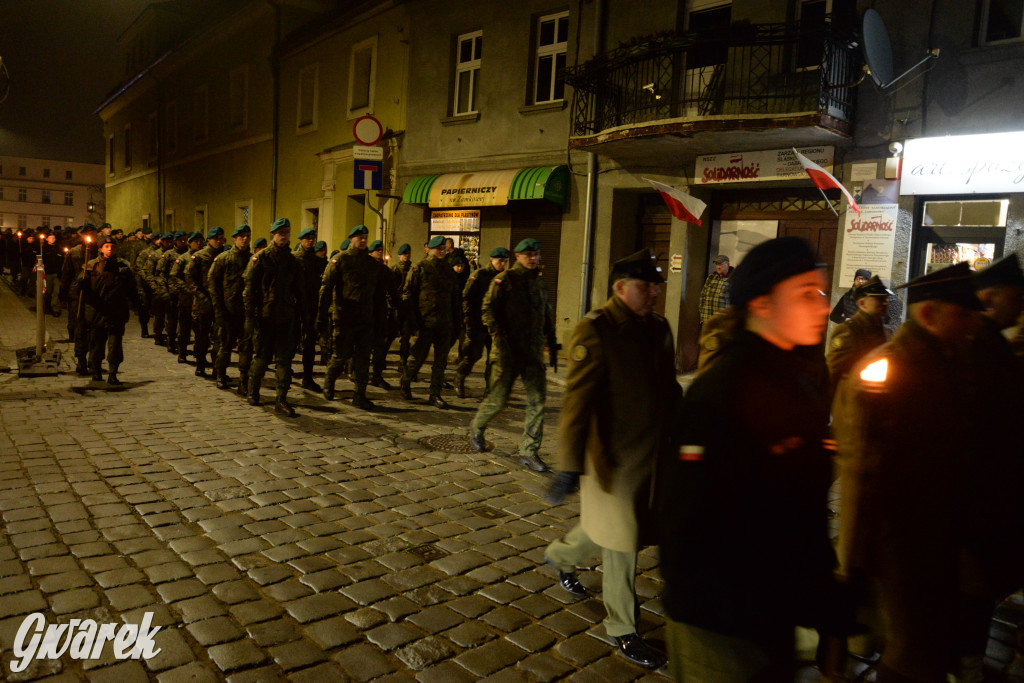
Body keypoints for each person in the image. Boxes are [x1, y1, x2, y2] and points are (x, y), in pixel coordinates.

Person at [659, 237, 847, 682]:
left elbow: (801, 511)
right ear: (762, 304)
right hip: (721, 633)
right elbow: (687, 529)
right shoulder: (722, 394)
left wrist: (827, 606)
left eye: (822, 293)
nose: (823, 307)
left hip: (772, 621)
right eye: (806, 295)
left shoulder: (793, 381)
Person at [832, 262, 991, 683]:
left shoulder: (951, 362)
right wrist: (849, 566)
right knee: (911, 653)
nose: (971, 325)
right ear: (928, 314)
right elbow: (861, 471)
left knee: (929, 644)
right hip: (900, 543)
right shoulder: (890, 367)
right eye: (961, 315)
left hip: (940, 534)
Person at [544, 249, 678, 669]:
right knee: (623, 544)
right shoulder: (595, 330)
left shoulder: (658, 327)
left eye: (657, 285)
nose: (654, 293)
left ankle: (561, 555)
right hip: (614, 461)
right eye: (645, 285)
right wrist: (569, 464)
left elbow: (669, 388)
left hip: (654, 454)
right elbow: (576, 403)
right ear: (620, 288)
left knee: (613, 528)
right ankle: (623, 628)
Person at [469, 238, 557, 472]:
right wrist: (498, 337)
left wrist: (551, 336)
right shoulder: (505, 280)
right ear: (517, 256)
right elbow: (487, 309)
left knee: (537, 402)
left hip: (533, 353)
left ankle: (529, 452)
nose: (533, 258)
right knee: (498, 400)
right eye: (528, 254)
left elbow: (545, 312)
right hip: (508, 352)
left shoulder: (538, 282)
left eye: (536, 254)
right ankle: (478, 428)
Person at [244, 218, 306, 416]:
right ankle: (253, 391)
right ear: (273, 234)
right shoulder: (261, 258)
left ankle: (281, 399)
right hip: (265, 318)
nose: (284, 236)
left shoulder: (293, 260)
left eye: (287, 233)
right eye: (281, 233)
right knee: (261, 358)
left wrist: (301, 316)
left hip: (286, 317)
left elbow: (299, 291)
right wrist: (252, 318)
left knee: (284, 361)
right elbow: (249, 290)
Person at [319, 225, 379, 410]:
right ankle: (329, 383)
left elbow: (375, 292)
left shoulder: (370, 263)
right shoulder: (340, 260)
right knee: (340, 355)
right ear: (351, 239)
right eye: (359, 237)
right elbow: (326, 288)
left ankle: (359, 394)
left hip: (365, 318)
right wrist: (321, 315)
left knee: (362, 358)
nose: (363, 240)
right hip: (345, 317)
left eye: (365, 237)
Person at [400, 235, 460, 408]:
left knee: (440, 361)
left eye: (443, 249)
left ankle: (435, 394)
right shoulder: (421, 267)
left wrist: (457, 322)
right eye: (438, 249)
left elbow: (455, 299)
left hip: (444, 323)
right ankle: (406, 380)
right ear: (431, 250)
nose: (441, 251)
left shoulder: (449, 271)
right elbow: (408, 294)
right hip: (425, 322)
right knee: (417, 357)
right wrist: (412, 321)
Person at [77, 237, 139, 384]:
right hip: (97, 311)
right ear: (101, 248)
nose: (110, 249)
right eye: (106, 246)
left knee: (115, 345)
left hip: (116, 311)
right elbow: (80, 290)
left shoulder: (123, 267)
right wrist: (81, 284)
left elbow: (131, 289)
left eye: (112, 246)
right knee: (97, 343)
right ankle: (96, 371)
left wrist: (137, 305)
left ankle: (113, 372)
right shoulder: (90, 266)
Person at [825, 275, 892, 398]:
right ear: (862, 303)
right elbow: (832, 374)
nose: (885, 303)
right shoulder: (848, 332)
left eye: (885, 299)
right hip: (853, 406)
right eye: (879, 299)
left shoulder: (886, 332)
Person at [454, 246, 508, 397]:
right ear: (492, 259)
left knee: (494, 359)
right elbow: (466, 297)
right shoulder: (480, 275)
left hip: (495, 326)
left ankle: (489, 389)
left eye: (505, 261)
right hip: (477, 323)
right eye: (500, 261)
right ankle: (459, 378)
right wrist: (468, 320)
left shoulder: (505, 278)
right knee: (472, 356)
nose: (502, 264)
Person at [209, 224, 253, 391]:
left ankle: (243, 379)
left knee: (246, 347)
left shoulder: (252, 259)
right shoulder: (223, 258)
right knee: (225, 345)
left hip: (246, 311)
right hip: (228, 310)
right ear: (235, 238)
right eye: (241, 236)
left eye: (247, 236)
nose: (245, 239)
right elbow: (213, 283)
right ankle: (220, 374)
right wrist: (218, 309)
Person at [186, 227, 226, 378]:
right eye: (215, 238)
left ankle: (218, 368)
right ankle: (200, 364)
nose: (218, 241)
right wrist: (201, 296)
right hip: (203, 303)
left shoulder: (225, 256)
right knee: (202, 337)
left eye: (221, 238)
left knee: (220, 338)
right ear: (209, 240)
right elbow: (190, 279)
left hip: (220, 303)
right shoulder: (200, 257)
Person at [60, 224, 100, 372]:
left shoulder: (100, 252)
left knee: (96, 329)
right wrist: (63, 294)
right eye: (87, 234)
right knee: (80, 329)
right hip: (78, 295)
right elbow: (66, 274)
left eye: (93, 233)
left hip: (96, 295)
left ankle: (94, 360)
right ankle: (81, 360)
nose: (90, 236)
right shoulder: (74, 252)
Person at [295, 227, 325, 391]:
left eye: (312, 238)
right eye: (307, 239)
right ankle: (283, 374)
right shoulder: (293, 259)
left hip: (311, 308)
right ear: (301, 240)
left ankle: (307, 377)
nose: (310, 241)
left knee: (310, 345)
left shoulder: (318, 261)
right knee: (288, 345)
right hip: (294, 308)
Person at [368, 239, 400, 390]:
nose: (380, 252)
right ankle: (356, 373)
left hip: (380, 311)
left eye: (381, 249)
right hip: (365, 311)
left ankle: (376, 375)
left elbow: (392, 291)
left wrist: (399, 307)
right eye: (377, 250)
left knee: (380, 346)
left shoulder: (385, 271)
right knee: (363, 346)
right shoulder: (364, 268)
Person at [171, 232, 203, 363]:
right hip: (187, 299)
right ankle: (182, 352)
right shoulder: (183, 258)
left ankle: (200, 354)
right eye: (196, 241)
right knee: (184, 328)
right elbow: (174, 276)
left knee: (201, 330)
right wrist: (187, 289)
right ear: (190, 243)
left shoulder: (205, 257)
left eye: (201, 241)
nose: (199, 243)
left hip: (201, 299)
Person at [157, 231, 188, 355]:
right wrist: (165, 291)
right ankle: (171, 341)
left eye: (185, 240)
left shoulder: (189, 255)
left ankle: (182, 345)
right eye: (180, 240)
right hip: (172, 292)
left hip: (185, 293)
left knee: (184, 321)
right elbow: (161, 274)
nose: (183, 242)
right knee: (172, 319)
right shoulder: (169, 255)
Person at [392, 243, 414, 373]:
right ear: (400, 255)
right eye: (404, 254)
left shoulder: (413, 269)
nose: (407, 256)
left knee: (406, 337)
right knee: (389, 336)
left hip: (407, 307)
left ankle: (403, 361)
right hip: (396, 306)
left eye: (408, 253)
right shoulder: (395, 269)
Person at [698, 254, 733, 324]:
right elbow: (703, 296)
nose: (718, 267)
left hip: (722, 323)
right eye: (717, 264)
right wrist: (702, 315)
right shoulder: (711, 277)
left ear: (728, 264)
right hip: (707, 320)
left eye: (720, 264)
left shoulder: (733, 279)